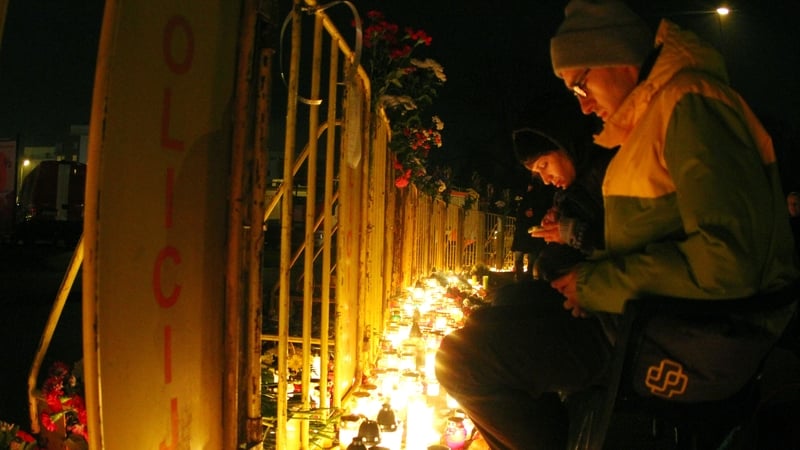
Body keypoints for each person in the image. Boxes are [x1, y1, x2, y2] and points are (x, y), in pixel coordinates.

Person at [435, 1, 800, 448]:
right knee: (496, 322)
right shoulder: (663, 114)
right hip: (660, 323)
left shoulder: (691, 106)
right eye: (574, 95)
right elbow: (661, 236)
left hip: (686, 341)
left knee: (465, 360)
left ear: (617, 58)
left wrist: (595, 284)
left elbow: (728, 261)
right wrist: (588, 283)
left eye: (581, 85)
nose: (584, 107)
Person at [509, 181, 549, 281]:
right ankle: (527, 278)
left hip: (525, 232)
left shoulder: (528, 199)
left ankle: (521, 278)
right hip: (529, 233)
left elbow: (520, 215)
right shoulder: (538, 200)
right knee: (530, 257)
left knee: (522, 257)